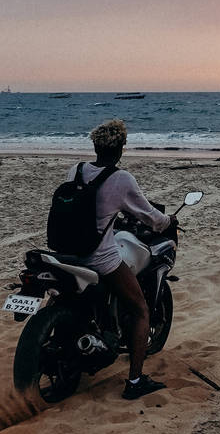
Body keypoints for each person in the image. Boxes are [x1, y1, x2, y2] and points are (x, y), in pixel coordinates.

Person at [59, 119, 176, 399]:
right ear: (121, 148)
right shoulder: (121, 179)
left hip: (67, 254)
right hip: (99, 258)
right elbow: (149, 216)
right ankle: (135, 382)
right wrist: (169, 220)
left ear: (95, 146)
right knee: (140, 309)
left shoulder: (74, 171)